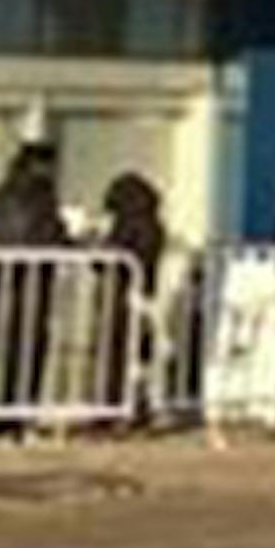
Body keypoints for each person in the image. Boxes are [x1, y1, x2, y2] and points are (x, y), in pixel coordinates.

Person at [0, 142, 70, 434]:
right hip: (32, 281)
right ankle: (17, 413)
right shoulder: (40, 198)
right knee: (28, 347)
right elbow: (51, 236)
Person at [98, 172, 166, 419]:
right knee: (138, 353)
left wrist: (96, 246)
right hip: (144, 295)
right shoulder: (153, 224)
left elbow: (110, 258)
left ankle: (118, 406)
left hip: (124, 295)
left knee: (120, 353)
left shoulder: (128, 225)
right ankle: (137, 404)